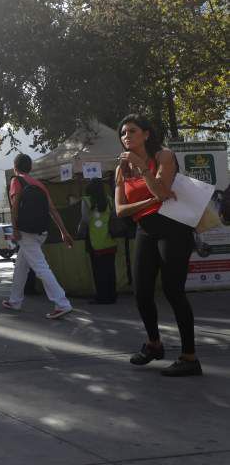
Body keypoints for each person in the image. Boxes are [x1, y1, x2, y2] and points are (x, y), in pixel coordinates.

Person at [115, 114, 200, 376]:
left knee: (174, 291)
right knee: (141, 293)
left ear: (146, 134)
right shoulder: (121, 168)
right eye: (123, 133)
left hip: (173, 229)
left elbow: (163, 192)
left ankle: (189, 358)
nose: (126, 136)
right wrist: (149, 203)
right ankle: (154, 345)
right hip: (145, 229)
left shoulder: (163, 156)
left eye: (132, 131)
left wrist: (142, 167)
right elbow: (120, 210)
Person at [3, 153, 74, 319]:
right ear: (30, 168)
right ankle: (15, 301)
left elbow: (14, 208)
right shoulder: (39, 184)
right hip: (41, 231)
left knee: (41, 267)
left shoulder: (16, 181)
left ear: (15, 167)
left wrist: (14, 229)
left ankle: (62, 303)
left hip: (25, 232)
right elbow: (53, 210)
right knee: (21, 266)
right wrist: (64, 232)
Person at [79, 178, 119, 304]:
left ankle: (102, 296)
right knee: (110, 269)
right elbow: (114, 216)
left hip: (94, 240)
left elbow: (85, 220)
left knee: (98, 270)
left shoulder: (86, 200)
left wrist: (79, 230)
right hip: (109, 239)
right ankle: (112, 295)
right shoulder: (109, 200)